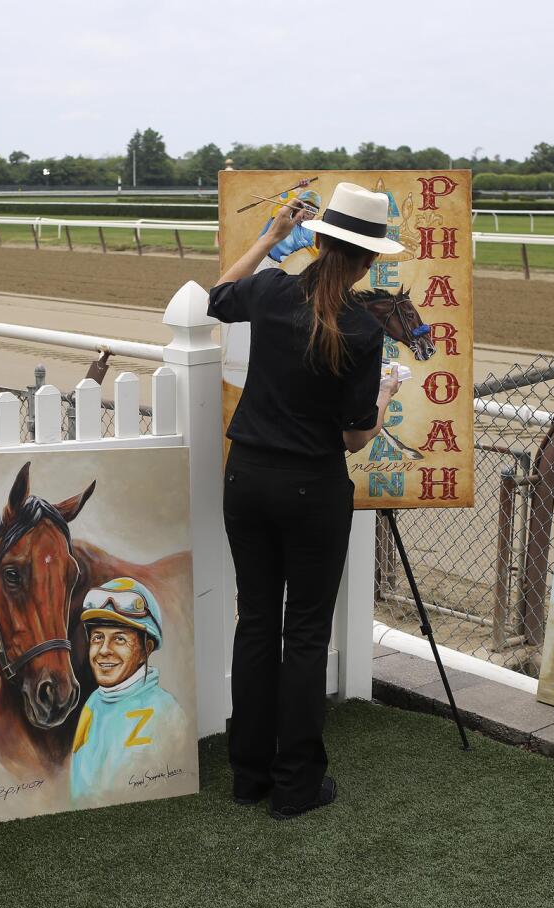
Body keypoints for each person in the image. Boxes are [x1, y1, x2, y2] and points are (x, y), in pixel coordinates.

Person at [207, 182, 403, 820]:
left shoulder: (270, 291)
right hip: (311, 487)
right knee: (306, 632)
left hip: (248, 477)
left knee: (257, 622)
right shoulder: (361, 329)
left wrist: (267, 237)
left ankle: (248, 775)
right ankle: (296, 785)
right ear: (370, 260)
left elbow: (215, 299)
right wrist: (381, 404)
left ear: (315, 239)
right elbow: (353, 436)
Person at [70, 578, 188, 806]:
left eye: (119, 639)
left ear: (146, 649)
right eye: (97, 638)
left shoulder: (167, 712)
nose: (104, 650)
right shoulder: (93, 703)